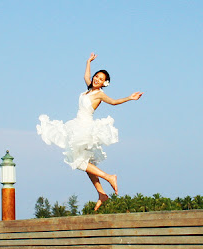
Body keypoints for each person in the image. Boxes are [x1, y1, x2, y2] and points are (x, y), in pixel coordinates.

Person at [36, 52, 143, 211]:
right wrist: (88, 62)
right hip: (76, 124)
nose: (96, 79)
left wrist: (129, 98)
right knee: (86, 163)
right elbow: (86, 76)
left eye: (101, 79)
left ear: (104, 83)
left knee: (78, 162)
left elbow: (113, 102)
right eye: (96, 77)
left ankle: (109, 177)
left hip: (85, 128)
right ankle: (101, 194)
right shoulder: (88, 89)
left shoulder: (100, 94)